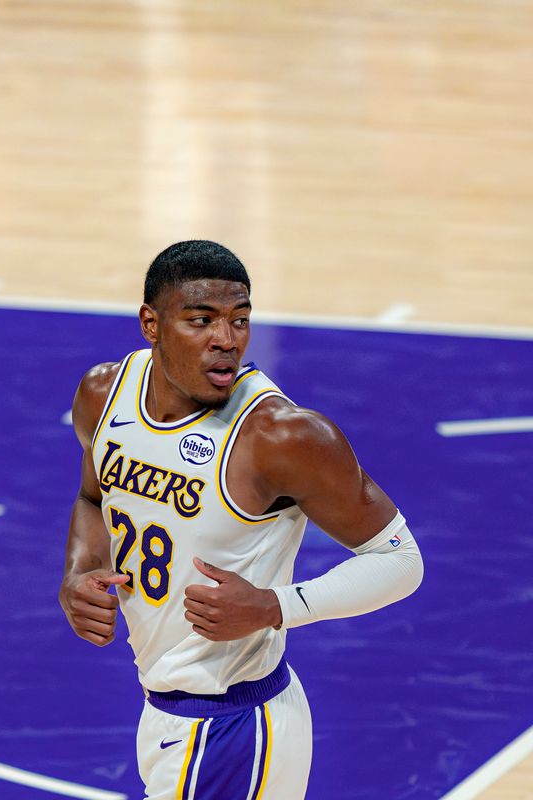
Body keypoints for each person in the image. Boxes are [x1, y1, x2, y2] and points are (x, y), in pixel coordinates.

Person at [58, 240, 424, 800]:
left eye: (239, 320)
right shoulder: (103, 395)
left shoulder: (281, 436)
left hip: (234, 729)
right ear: (151, 324)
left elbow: (400, 562)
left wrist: (275, 606)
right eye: (200, 321)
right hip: (165, 713)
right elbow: (92, 498)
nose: (225, 340)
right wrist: (81, 571)